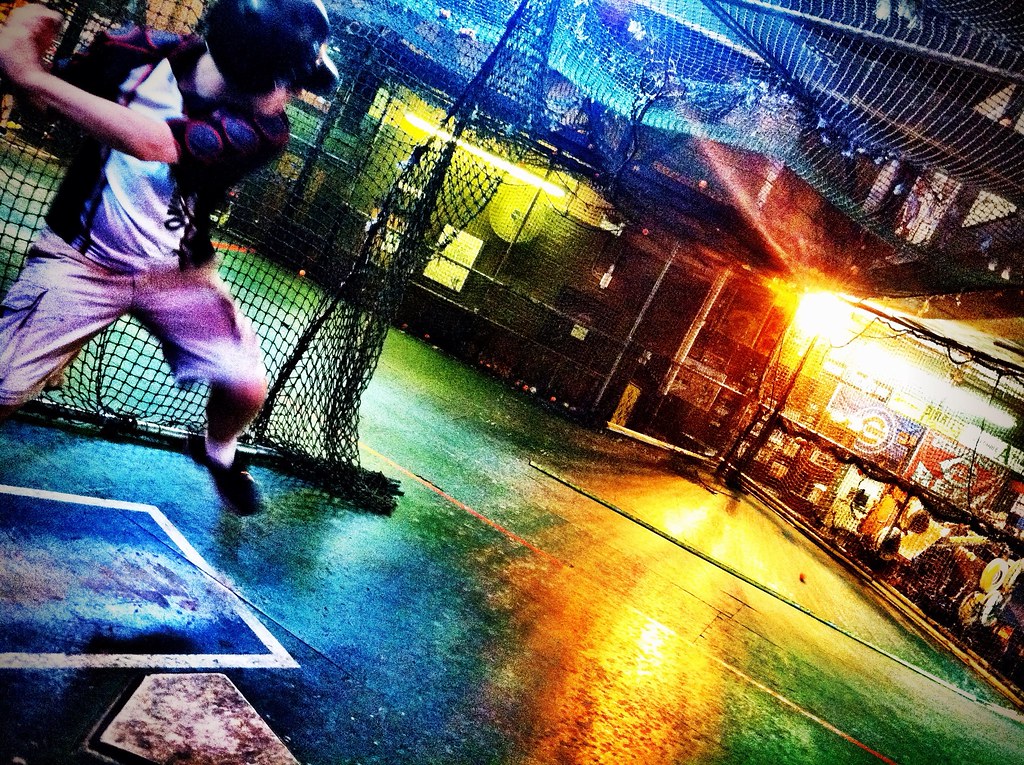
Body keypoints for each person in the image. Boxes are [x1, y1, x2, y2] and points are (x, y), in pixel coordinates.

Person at [0, 0, 338, 514]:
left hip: (178, 277)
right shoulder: (132, 53)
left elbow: (152, 143)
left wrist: (30, 75)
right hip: (82, 260)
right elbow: (46, 103)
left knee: (246, 387)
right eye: (289, 83)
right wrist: (26, 69)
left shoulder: (265, 132)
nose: (294, 95)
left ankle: (217, 450)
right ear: (249, 67)